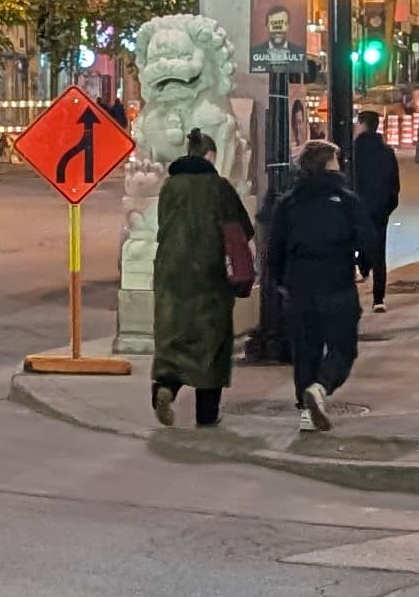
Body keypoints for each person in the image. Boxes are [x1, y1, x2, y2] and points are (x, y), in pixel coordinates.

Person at [151, 126, 254, 428]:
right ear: (211, 155)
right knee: (212, 345)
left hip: (171, 275)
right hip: (210, 275)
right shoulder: (218, 186)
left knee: (174, 340)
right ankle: (206, 416)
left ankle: (166, 388)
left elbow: (163, 225)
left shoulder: (169, 187)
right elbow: (241, 228)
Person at [262, 140, 369, 431]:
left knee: (305, 349)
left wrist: (281, 281)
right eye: (336, 159)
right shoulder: (346, 200)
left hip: (300, 285)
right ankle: (321, 387)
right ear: (327, 164)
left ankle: (307, 411)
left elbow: (274, 249)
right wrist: (364, 265)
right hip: (336, 282)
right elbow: (365, 239)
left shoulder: (289, 202)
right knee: (342, 346)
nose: (340, 164)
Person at [349, 109, 401, 307]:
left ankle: (362, 266)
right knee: (379, 252)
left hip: (356, 209)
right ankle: (378, 299)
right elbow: (394, 184)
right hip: (379, 210)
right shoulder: (386, 152)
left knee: (353, 246)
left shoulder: (352, 151)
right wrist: (387, 205)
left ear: (362, 124)